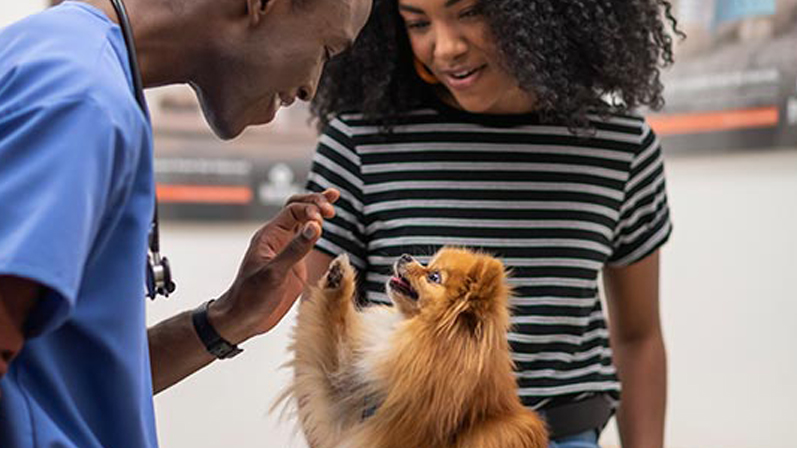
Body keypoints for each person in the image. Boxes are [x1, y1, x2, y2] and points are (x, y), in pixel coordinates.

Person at [303, 0, 680, 446]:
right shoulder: (356, 146)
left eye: (470, 12)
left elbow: (638, 337)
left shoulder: (622, 149)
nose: (445, 48)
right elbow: (322, 336)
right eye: (418, 23)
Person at [0, 0, 371, 446]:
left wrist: (230, 317)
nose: (312, 87)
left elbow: (64, 386)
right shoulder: (83, 98)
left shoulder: (71, 60)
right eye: (327, 49)